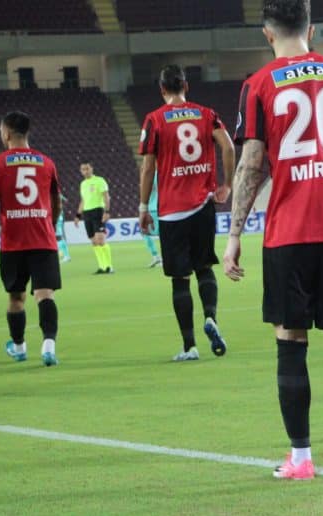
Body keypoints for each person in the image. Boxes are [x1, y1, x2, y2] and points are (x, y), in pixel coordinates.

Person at [224, 0, 323, 478]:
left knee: (290, 338)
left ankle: (300, 458)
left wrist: (234, 235)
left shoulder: (258, 85)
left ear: (267, 35)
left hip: (289, 233)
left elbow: (252, 164)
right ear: (311, 28)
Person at [139, 64, 235, 361]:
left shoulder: (154, 120)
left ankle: (189, 346)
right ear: (186, 87)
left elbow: (148, 168)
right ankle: (211, 318)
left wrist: (144, 207)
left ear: (162, 89)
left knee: (180, 279)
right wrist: (227, 184)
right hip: (203, 204)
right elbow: (229, 147)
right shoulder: (207, 114)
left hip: (171, 211)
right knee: (205, 268)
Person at [0, 111, 63, 367]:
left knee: (16, 298)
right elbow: (56, 204)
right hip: (42, 238)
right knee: (45, 294)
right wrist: (49, 226)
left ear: (6, 133)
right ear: (27, 133)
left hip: (13, 241)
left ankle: (18, 348)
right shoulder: (47, 163)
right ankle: (48, 347)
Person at [74, 162, 113, 274]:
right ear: (80, 171)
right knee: (94, 242)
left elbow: (106, 197)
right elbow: (83, 200)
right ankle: (102, 266)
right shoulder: (82, 184)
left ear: (92, 168)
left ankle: (109, 266)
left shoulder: (100, 181)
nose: (85, 171)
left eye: (87, 168)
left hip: (98, 211)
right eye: (83, 169)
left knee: (100, 240)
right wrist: (78, 215)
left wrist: (107, 211)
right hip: (87, 213)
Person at [142, 174, 162, 268]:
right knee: (145, 232)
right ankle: (158, 257)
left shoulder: (152, 174)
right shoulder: (162, 172)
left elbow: (151, 188)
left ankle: (158, 257)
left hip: (154, 208)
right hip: (158, 207)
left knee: (146, 232)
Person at [56, 193, 71, 263]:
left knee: (59, 236)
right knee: (59, 236)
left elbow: (62, 202)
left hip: (58, 216)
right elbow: (66, 200)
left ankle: (66, 256)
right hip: (59, 215)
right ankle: (66, 255)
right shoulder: (58, 194)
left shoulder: (56, 194)